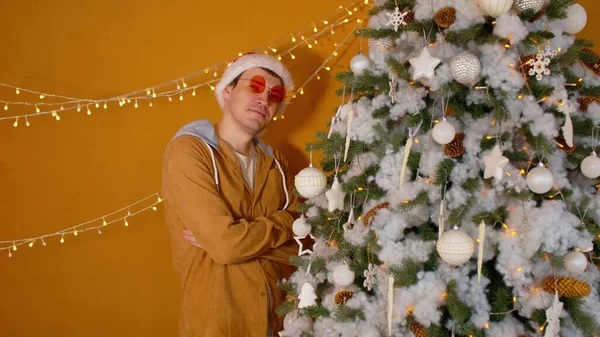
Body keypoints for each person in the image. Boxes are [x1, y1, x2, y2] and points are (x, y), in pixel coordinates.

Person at [161, 53, 300, 337]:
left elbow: (304, 246)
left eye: (275, 94)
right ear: (227, 91)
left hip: (276, 325)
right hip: (217, 324)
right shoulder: (190, 151)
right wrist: (286, 224)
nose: (265, 99)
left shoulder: (277, 165)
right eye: (255, 85)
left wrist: (236, 238)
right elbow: (226, 247)